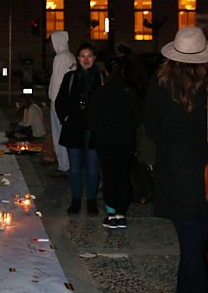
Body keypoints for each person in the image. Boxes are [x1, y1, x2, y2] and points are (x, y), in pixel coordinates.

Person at [145, 26, 208, 293]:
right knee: (198, 245)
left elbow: (151, 127)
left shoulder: (160, 83)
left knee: (190, 244)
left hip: (174, 173)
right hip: (204, 172)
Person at [87, 56, 140, 228]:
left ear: (107, 72)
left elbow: (92, 118)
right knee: (122, 176)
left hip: (106, 140)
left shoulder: (101, 92)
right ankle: (121, 213)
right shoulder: (130, 91)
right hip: (125, 140)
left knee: (109, 175)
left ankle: (111, 214)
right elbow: (138, 116)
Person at [55, 40, 103, 215]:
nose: (86, 59)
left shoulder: (100, 77)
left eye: (89, 56)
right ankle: (75, 200)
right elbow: (60, 101)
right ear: (77, 58)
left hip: (94, 128)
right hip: (74, 127)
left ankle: (91, 200)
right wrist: (65, 117)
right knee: (75, 167)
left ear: (94, 58)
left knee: (92, 166)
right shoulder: (70, 77)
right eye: (83, 56)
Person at [47, 30, 76, 174]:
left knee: (58, 133)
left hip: (58, 100)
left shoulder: (60, 57)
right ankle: (68, 163)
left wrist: (54, 100)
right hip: (67, 101)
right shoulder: (70, 56)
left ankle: (63, 165)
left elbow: (57, 81)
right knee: (66, 133)